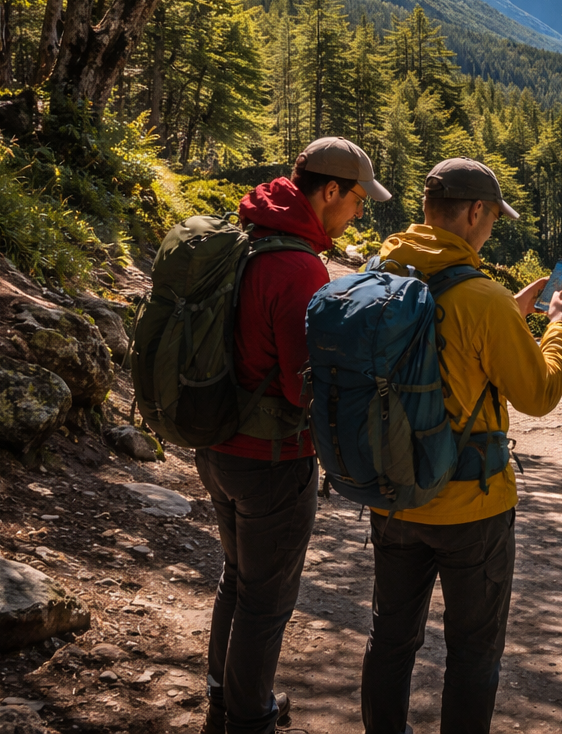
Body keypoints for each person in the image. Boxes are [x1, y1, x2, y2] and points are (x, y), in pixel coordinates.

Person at [360, 157, 562, 734]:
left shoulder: (381, 272)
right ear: (476, 212)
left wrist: (511, 314)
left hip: (392, 491)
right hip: (471, 505)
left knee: (390, 639)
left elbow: (432, 349)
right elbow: (539, 392)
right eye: (491, 218)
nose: (490, 229)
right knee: (473, 652)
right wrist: (557, 326)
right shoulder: (478, 296)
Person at [198, 137, 391, 734]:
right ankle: (250, 716)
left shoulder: (248, 234)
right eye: (358, 199)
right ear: (329, 191)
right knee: (268, 598)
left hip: (217, 444)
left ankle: (224, 695)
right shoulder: (299, 266)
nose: (361, 211)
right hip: (271, 459)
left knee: (239, 578)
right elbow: (297, 385)